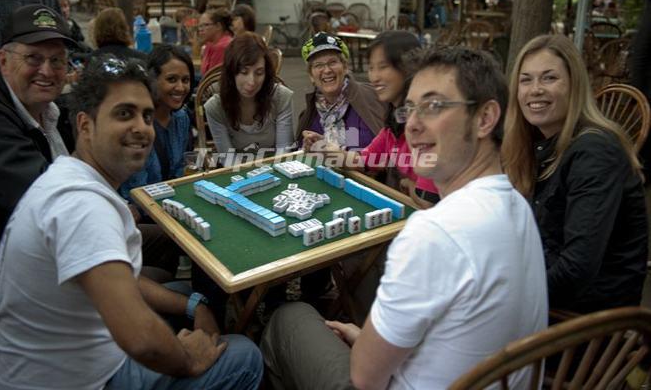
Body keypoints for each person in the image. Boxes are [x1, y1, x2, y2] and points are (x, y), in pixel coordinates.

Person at [261, 45, 548, 390]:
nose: (411, 125)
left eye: (433, 106)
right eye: (409, 109)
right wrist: (368, 337)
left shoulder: (432, 231)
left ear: (486, 118)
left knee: (287, 318)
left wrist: (367, 344)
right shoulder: (518, 205)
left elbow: (365, 378)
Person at [0, 57, 263, 390]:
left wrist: (194, 303)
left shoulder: (69, 175)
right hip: (65, 380)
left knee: (181, 293)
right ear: (85, 126)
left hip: (31, 362)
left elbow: (114, 276)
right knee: (245, 354)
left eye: (146, 115)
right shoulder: (83, 205)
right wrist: (189, 359)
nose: (143, 128)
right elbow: (143, 341)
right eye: (124, 114)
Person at [503, 34, 648, 313]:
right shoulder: (539, 144)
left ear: (574, 85)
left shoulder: (594, 152)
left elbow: (576, 269)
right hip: (553, 296)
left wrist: (510, 302)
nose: (535, 89)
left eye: (549, 78)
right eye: (526, 79)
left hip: (587, 323)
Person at [0, 4, 74, 313]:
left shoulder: (51, 112)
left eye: (57, 60)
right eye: (33, 58)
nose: (47, 71)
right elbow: (49, 207)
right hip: (11, 294)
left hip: (53, 259)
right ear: (4, 62)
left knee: (163, 244)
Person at [303, 30, 439, 207]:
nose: (374, 77)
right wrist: (324, 148)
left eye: (383, 67)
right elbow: (363, 159)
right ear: (311, 76)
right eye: (371, 68)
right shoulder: (393, 123)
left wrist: (408, 185)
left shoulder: (426, 122)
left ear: (409, 67)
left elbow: (428, 200)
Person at [120, 44, 194, 201]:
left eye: (185, 80)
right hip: (144, 211)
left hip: (175, 201)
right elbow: (135, 192)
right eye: (171, 79)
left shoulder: (182, 118)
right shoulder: (136, 125)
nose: (180, 88)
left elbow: (182, 169)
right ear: (152, 80)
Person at [205, 32, 293, 158]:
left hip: (277, 171)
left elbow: (284, 155)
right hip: (237, 173)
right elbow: (227, 160)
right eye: (243, 72)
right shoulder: (215, 107)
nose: (251, 82)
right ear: (231, 72)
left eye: (259, 73)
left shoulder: (281, 97)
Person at [297, 32, 385, 151]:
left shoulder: (373, 97)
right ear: (311, 76)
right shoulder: (309, 115)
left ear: (345, 67)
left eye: (332, 62)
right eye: (318, 65)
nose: (327, 70)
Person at [199, 7, 233, 76]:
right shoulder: (210, 44)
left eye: (205, 25)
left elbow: (212, 79)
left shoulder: (222, 47)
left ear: (218, 26)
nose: (201, 30)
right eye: (200, 26)